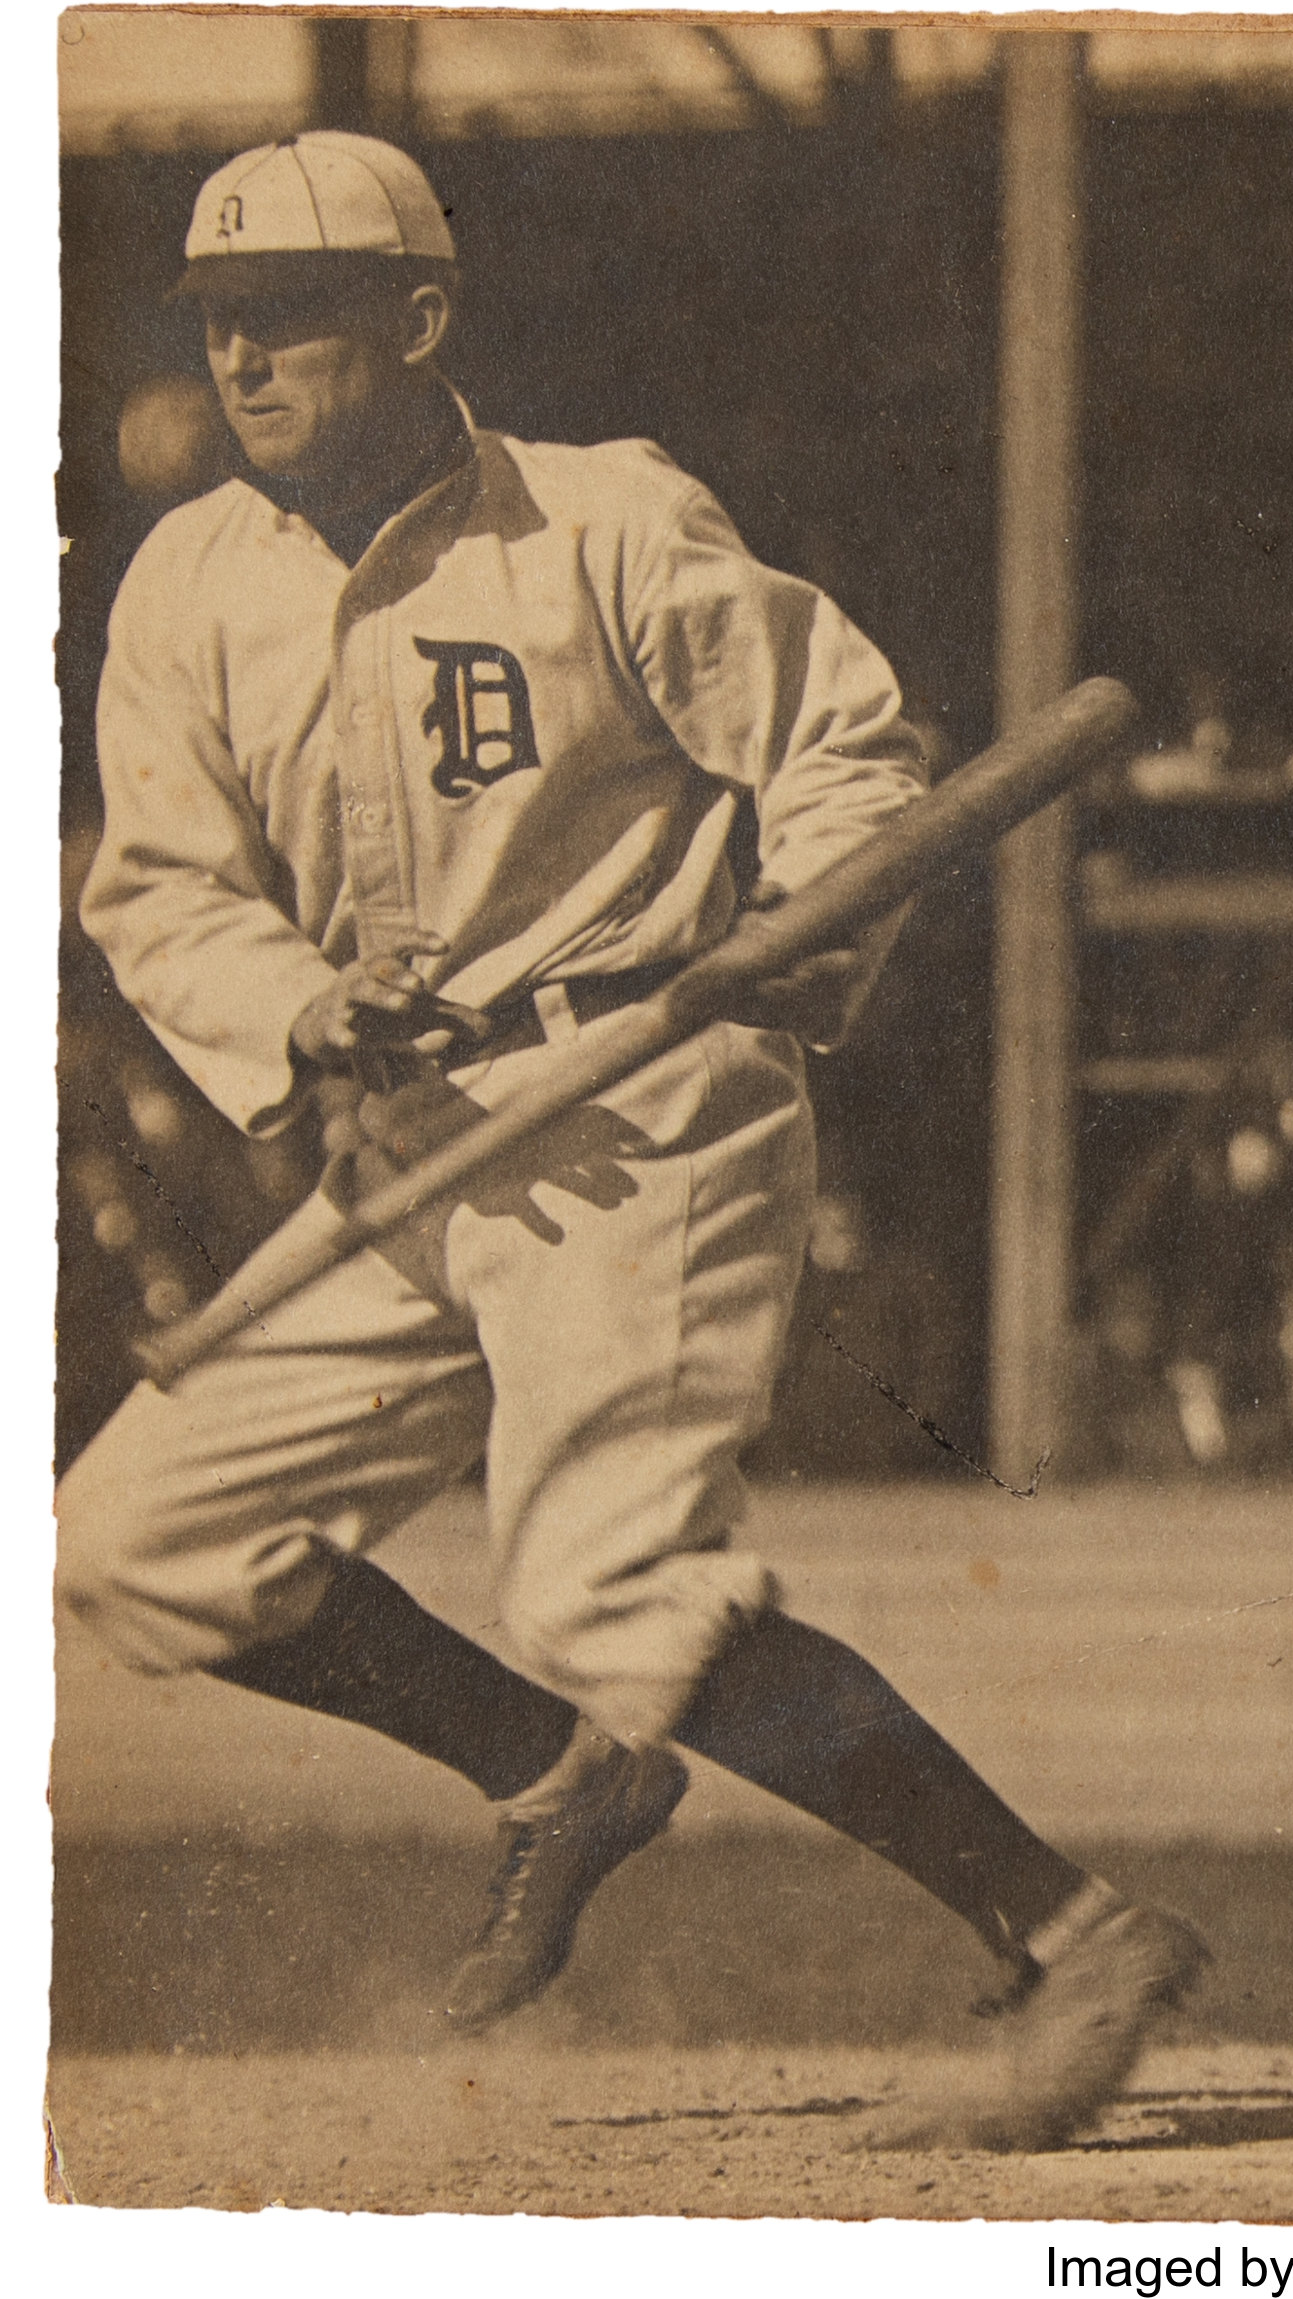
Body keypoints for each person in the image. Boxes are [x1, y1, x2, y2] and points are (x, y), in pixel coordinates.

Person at [57, 131, 1201, 2148]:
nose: (242, 358)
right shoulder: (189, 580)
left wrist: (806, 940)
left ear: (417, 324)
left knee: (599, 1579)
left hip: (643, 1103)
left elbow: (847, 743)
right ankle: (559, 1772)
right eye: (219, 319)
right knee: (142, 1538)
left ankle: (1071, 1930)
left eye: (292, 315)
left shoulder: (599, 521)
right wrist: (305, 1011)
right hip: (403, 1130)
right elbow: (158, 888)